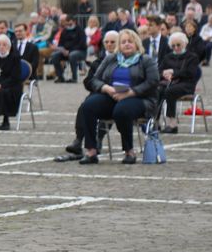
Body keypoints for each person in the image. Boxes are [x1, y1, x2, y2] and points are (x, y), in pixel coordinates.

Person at [77, 29, 160, 164]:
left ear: (136, 43)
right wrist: (106, 88)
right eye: (123, 42)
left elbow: (153, 81)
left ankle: (129, 152)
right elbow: (94, 79)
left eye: (130, 41)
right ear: (119, 46)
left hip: (139, 98)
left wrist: (130, 93)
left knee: (121, 110)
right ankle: (91, 151)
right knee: (88, 106)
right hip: (113, 95)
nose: (127, 44)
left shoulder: (145, 60)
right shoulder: (111, 58)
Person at [56, 30, 121, 161]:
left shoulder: (123, 59)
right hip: (98, 93)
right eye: (106, 42)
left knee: (99, 106)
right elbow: (88, 81)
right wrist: (100, 87)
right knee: (85, 106)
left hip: (117, 95)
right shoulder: (98, 61)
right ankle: (79, 139)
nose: (109, 44)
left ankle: (99, 138)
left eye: (112, 42)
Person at [159, 32, 201, 133]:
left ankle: (172, 124)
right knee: (158, 90)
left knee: (170, 91)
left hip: (187, 84)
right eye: (173, 45)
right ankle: (156, 122)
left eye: (178, 45)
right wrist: (164, 74)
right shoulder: (168, 57)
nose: (176, 47)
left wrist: (173, 73)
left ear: (185, 44)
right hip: (170, 82)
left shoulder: (192, 57)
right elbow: (159, 70)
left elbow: (190, 73)